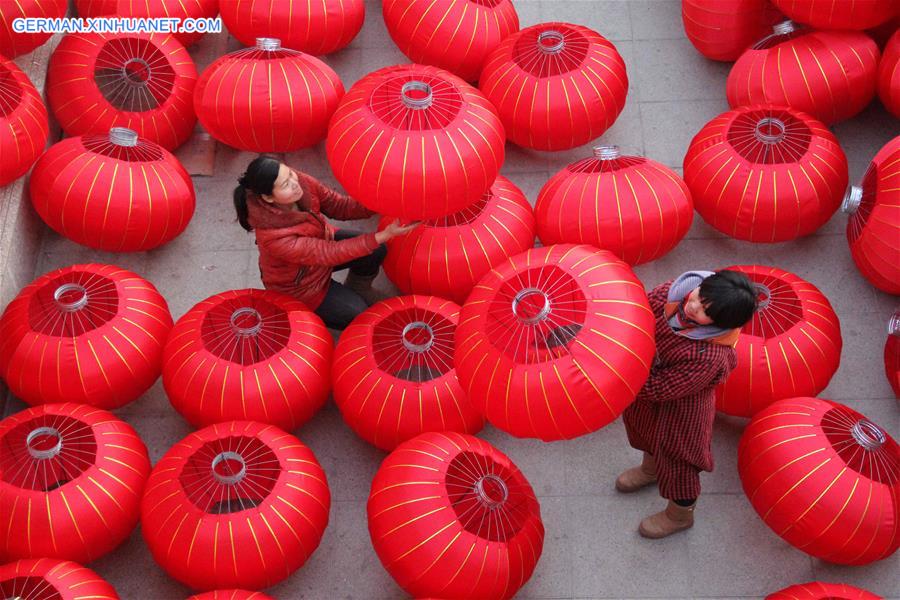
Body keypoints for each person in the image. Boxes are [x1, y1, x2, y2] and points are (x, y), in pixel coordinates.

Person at [617, 269, 758, 539]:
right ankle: (651, 470)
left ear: (721, 323)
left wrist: (621, 378)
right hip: (644, 385)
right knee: (642, 428)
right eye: (699, 296)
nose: (693, 305)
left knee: (679, 458)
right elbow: (638, 311)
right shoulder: (674, 292)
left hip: (683, 407)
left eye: (706, 311)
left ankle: (679, 515)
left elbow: (662, 387)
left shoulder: (709, 355)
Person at [233, 155, 419, 330]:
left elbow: (339, 206)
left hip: (324, 243)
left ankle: (359, 287)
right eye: (285, 184)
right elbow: (329, 253)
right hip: (303, 286)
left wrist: (381, 202)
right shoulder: (274, 237)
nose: (295, 183)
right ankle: (308, 316)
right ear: (268, 198)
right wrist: (383, 235)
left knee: (376, 249)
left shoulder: (301, 182)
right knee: (358, 315)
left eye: (290, 173)